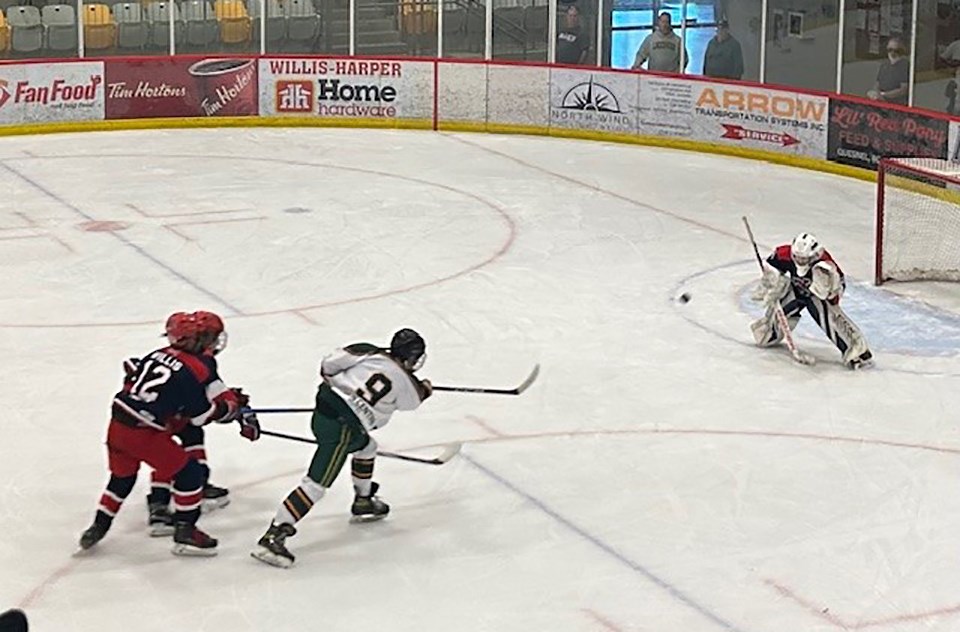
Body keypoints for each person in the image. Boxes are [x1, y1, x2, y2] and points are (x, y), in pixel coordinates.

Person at [78, 311, 261, 556]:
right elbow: (201, 416)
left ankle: (98, 527)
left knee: (121, 479)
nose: (212, 342)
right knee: (189, 473)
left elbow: (135, 373)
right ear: (194, 341)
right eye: (207, 337)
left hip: (117, 427)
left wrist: (226, 403)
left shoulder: (158, 354)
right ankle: (185, 532)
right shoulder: (194, 367)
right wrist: (230, 410)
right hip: (145, 434)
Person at [252, 328, 433, 568]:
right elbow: (412, 402)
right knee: (315, 485)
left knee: (367, 447)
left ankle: (364, 501)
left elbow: (329, 364)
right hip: (342, 430)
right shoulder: (409, 384)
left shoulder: (370, 352)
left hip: (324, 410)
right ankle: (273, 536)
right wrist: (426, 389)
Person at [750, 233, 873, 369]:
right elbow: (771, 267)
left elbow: (840, 286)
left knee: (830, 319)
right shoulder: (784, 253)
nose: (800, 261)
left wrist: (830, 293)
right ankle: (768, 334)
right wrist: (772, 283)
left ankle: (857, 351)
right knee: (771, 328)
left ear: (813, 255)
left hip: (816, 296)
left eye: (804, 259)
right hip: (795, 291)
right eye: (797, 258)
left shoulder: (824, 263)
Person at [867, 36, 909, 106]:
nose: (892, 53)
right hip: (881, 102)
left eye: (895, 50)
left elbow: (903, 90)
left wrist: (884, 95)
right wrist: (875, 94)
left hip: (897, 105)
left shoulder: (904, 65)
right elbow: (877, 84)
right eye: (889, 49)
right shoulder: (884, 65)